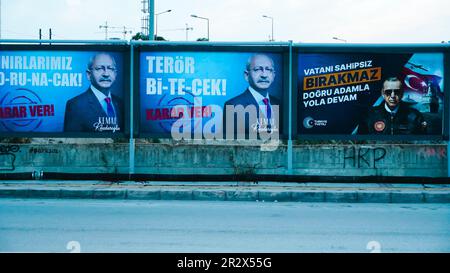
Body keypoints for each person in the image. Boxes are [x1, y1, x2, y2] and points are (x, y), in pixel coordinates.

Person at [223, 54, 280, 139]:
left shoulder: (279, 103)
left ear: (273, 75)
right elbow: (230, 143)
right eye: (257, 69)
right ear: (246, 75)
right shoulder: (233, 105)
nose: (264, 75)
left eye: (268, 69)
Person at [64, 53, 123, 132]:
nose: (106, 74)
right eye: (99, 68)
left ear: (115, 74)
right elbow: (72, 141)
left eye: (110, 68)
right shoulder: (75, 105)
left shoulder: (120, 103)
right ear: (89, 75)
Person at [358, 76, 427, 135]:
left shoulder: (415, 116)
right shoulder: (369, 115)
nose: (393, 95)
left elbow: (423, 142)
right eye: (388, 92)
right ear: (383, 93)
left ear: (402, 94)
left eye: (397, 92)